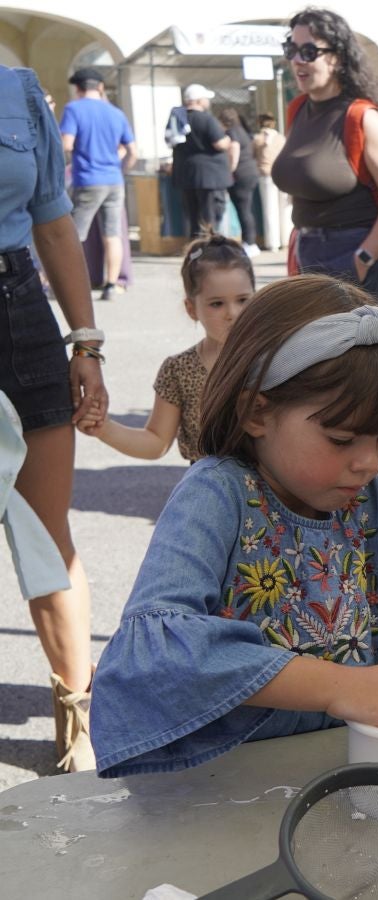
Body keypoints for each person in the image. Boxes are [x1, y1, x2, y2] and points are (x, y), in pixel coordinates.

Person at [89, 277, 378, 777]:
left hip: (347, 766)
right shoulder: (218, 493)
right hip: (225, 781)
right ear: (258, 412)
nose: (369, 462)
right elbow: (161, 649)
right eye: (341, 438)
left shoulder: (366, 496)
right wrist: (341, 686)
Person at [0, 64, 107, 771]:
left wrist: (86, 340)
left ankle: (78, 718)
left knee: (45, 532)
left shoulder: (18, 90)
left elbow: (53, 220)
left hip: (17, 309)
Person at [271, 8, 378, 306]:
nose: (297, 59)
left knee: (344, 351)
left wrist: (363, 257)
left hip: (351, 250)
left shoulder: (361, 117)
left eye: (309, 51)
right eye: (291, 49)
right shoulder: (298, 109)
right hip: (307, 248)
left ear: (336, 57)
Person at [77, 236, 254, 462]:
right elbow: (156, 442)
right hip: (210, 493)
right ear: (191, 309)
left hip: (274, 494)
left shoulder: (276, 358)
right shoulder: (179, 369)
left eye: (243, 300)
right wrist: (104, 428)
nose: (233, 313)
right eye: (217, 303)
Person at [59, 67, 136, 301]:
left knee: (75, 235)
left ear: (78, 88)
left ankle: (74, 285)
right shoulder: (115, 113)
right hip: (114, 180)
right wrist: (120, 169)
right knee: (112, 235)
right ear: (100, 87)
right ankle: (111, 285)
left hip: (87, 179)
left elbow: (66, 144)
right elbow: (133, 151)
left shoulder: (73, 109)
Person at [171, 84, 233, 238]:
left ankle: (195, 248)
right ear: (198, 100)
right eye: (205, 98)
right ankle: (209, 247)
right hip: (209, 176)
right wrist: (227, 140)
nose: (207, 101)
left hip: (185, 173)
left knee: (192, 215)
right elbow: (219, 143)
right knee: (209, 214)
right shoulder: (207, 119)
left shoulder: (178, 119)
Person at [217, 109, 261, 258]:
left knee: (243, 209)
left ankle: (249, 243)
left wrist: (230, 169)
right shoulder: (242, 130)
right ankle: (250, 242)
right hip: (250, 173)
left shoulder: (232, 132)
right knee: (246, 209)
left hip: (240, 175)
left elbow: (234, 148)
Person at [252, 113, 286, 252]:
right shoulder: (281, 138)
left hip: (265, 175)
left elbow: (252, 156)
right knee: (283, 209)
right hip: (282, 174)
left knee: (269, 209)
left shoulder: (257, 138)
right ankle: (285, 240)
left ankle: (273, 243)